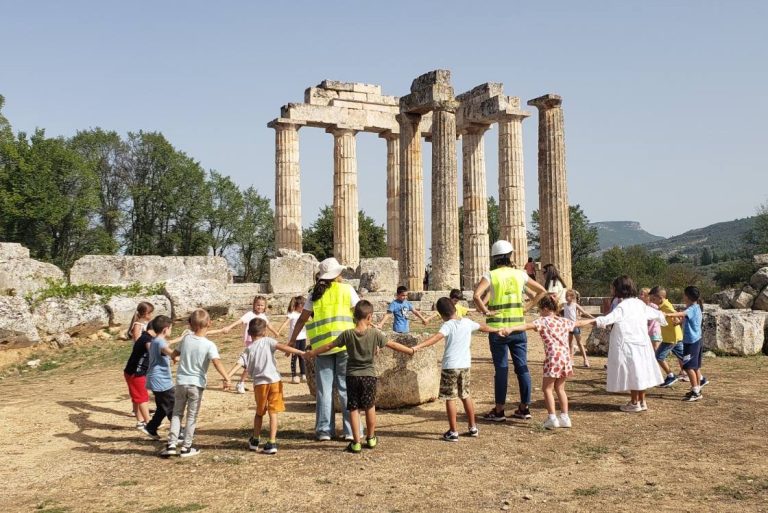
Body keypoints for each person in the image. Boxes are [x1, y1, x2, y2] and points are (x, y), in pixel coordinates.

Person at [306, 300, 415, 453]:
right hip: (369, 376)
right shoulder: (375, 334)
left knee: (354, 408)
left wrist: (313, 352)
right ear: (369, 317)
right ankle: (370, 438)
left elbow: (329, 346)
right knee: (370, 407)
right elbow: (393, 345)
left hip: (352, 376)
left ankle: (356, 442)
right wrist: (410, 351)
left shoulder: (348, 334)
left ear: (354, 316)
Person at [473, 240, 548, 422]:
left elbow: (476, 296)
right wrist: (527, 307)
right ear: (510, 256)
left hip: (497, 328)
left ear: (495, 258)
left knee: (501, 369)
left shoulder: (491, 275)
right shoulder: (520, 274)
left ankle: (499, 410)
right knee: (522, 367)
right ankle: (524, 407)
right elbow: (542, 291)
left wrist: (486, 311)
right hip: (517, 327)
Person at [287, 257, 358, 441]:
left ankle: (325, 430)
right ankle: (351, 431)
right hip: (345, 345)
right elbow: (360, 314)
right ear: (337, 273)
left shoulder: (313, 293)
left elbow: (302, 319)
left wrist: (292, 340)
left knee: (324, 390)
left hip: (321, 348)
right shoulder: (347, 289)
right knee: (345, 389)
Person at [413, 297, 501, 441]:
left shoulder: (448, 325)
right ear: (455, 309)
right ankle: (473, 427)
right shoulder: (467, 322)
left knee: (450, 398)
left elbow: (436, 338)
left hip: (450, 366)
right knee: (466, 395)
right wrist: (498, 330)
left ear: (442, 314)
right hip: (465, 365)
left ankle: (453, 431)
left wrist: (417, 347)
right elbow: (483, 327)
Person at [504, 295, 591, 429]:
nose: (540, 312)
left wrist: (511, 329)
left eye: (540, 309)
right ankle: (565, 417)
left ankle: (552, 417)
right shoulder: (563, 321)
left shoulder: (543, 321)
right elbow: (578, 323)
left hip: (553, 356)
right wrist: (595, 320)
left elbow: (527, 325)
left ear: (545, 308)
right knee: (560, 388)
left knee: (547, 389)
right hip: (565, 356)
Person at [582, 276, 667, 412]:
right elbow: (657, 314)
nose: (612, 289)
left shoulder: (623, 306)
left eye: (613, 287)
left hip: (629, 344)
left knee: (634, 373)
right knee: (640, 372)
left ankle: (634, 403)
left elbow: (608, 319)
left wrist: (585, 322)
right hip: (641, 343)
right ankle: (642, 401)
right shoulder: (639, 304)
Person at [229, 317, 306, 455]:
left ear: (249, 333)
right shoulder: (268, 341)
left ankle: (255, 440)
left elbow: (238, 364)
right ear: (265, 331)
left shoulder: (248, 349)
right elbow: (282, 347)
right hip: (275, 382)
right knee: (273, 413)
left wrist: (227, 376)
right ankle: (271, 442)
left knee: (259, 413)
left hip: (260, 384)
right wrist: (300, 352)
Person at [160, 309, 230, 458]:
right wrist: (226, 377)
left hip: (180, 383)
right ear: (209, 323)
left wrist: (172, 357)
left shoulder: (186, 339)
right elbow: (216, 362)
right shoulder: (209, 345)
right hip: (196, 385)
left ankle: (172, 443)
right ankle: (186, 447)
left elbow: (175, 353)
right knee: (192, 416)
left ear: (190, 324)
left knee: (177, 413)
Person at [220, 295, 280, 394]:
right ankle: (237, 381)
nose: (260, 307)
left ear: (265, 306)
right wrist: (229, 327)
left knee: (247, 364)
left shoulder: (263, 316)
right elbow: (239, 321)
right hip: (251, 341)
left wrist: (275, 332)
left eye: (262, 305)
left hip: (260, 342)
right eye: (258, 305)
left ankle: (233, 379)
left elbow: (269, 325)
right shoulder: (249, 314)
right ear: (254, 305)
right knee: (248, 364)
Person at [664, 286, 708, 402]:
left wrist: (667, 314)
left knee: (688, 367)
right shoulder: (696, 307)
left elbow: (682, 314)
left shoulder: (692, 308)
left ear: (687, 297)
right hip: (696, 340)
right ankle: (696, 389)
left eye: (684, 295)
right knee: (695, 367)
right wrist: (677, 323)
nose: (683, 297)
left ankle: (696, 391)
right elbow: (686, 318)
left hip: (691, 341)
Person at [142, 315, 176, 439]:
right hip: (161, 381)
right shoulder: (160, 342)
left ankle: (151, 427)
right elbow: (171, 353)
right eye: (171, 328)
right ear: (165, 329)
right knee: (173, 405)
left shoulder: (155, 340)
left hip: (155, 379)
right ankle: (178, 432)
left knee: (162, 406)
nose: (171, 330)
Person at [649, 286, 686, 388]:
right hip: (675, 337)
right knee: (684, 357)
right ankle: (699, 378)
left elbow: (678, 315)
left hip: (671, 338)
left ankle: (671, 376)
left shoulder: (667, 306)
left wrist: (678, 321)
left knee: (659, 356)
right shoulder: (662, 306)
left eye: (653, 299)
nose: (652, 301)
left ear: (660, 298)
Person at [123, 319, 155, 429]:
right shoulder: (147, 339)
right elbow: (153, 353)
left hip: (132, 372)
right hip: (136, 374)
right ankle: (149, 423)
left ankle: (140, 421)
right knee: (142, 398)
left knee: (137, 397)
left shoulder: (146, 337)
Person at [277, 295, 308, 384]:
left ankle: (303, 374)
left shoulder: (303, 314)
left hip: (303, 337)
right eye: (303, 305)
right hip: (294, 339)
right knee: (294, 357)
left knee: (302, 356)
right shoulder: (292, 314)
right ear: (299, 305)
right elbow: (285, 323)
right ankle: (294, 376)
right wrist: (279, 331)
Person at [562, 289, 594, 368]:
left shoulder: (575, 305)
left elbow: (584, 312)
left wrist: (593, 318)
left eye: (568, 296)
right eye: (565, 296)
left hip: (575, 326)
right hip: (567, 327)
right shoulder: (564, 305)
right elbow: (556, 310)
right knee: (569, 343)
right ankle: (571, 359)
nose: (566, 298)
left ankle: (585, 360)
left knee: (579, 343)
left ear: (572, 297)